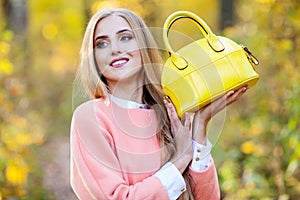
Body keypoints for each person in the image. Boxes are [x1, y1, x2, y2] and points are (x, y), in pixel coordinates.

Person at [70, 8, 248, 200]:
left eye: (125, 37)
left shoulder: (171, 109)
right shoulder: (90, 117)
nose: (114, 49)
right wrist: (180, 158)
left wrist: (200, 128)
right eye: (102, 43)